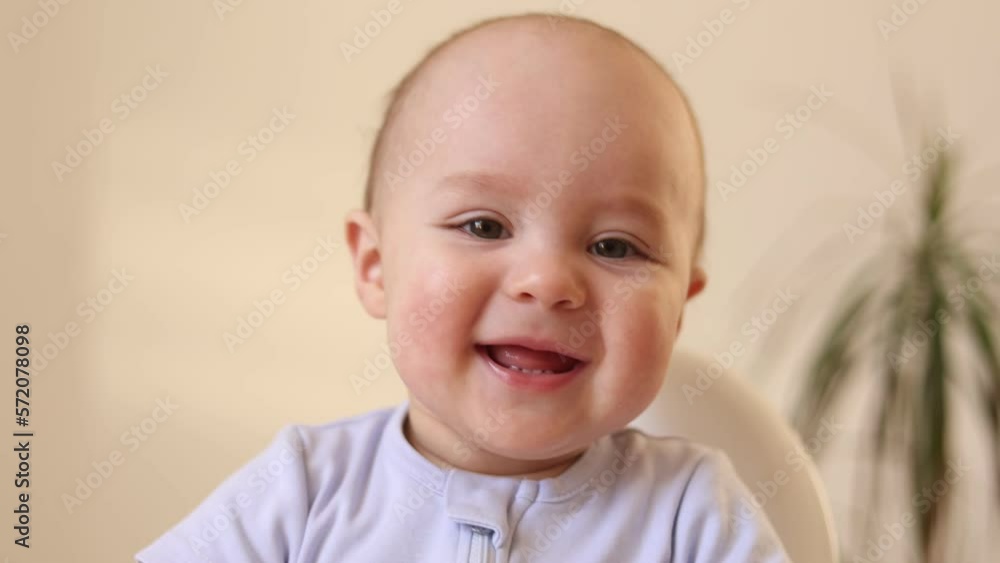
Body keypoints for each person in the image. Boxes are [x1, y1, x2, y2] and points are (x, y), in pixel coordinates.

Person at [137, 12, 790, 562]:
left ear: (678, 310)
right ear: (375, 266)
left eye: (615, 245)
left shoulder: (693, 514)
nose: (547, 281)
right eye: (484, 225)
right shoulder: (304, 488)